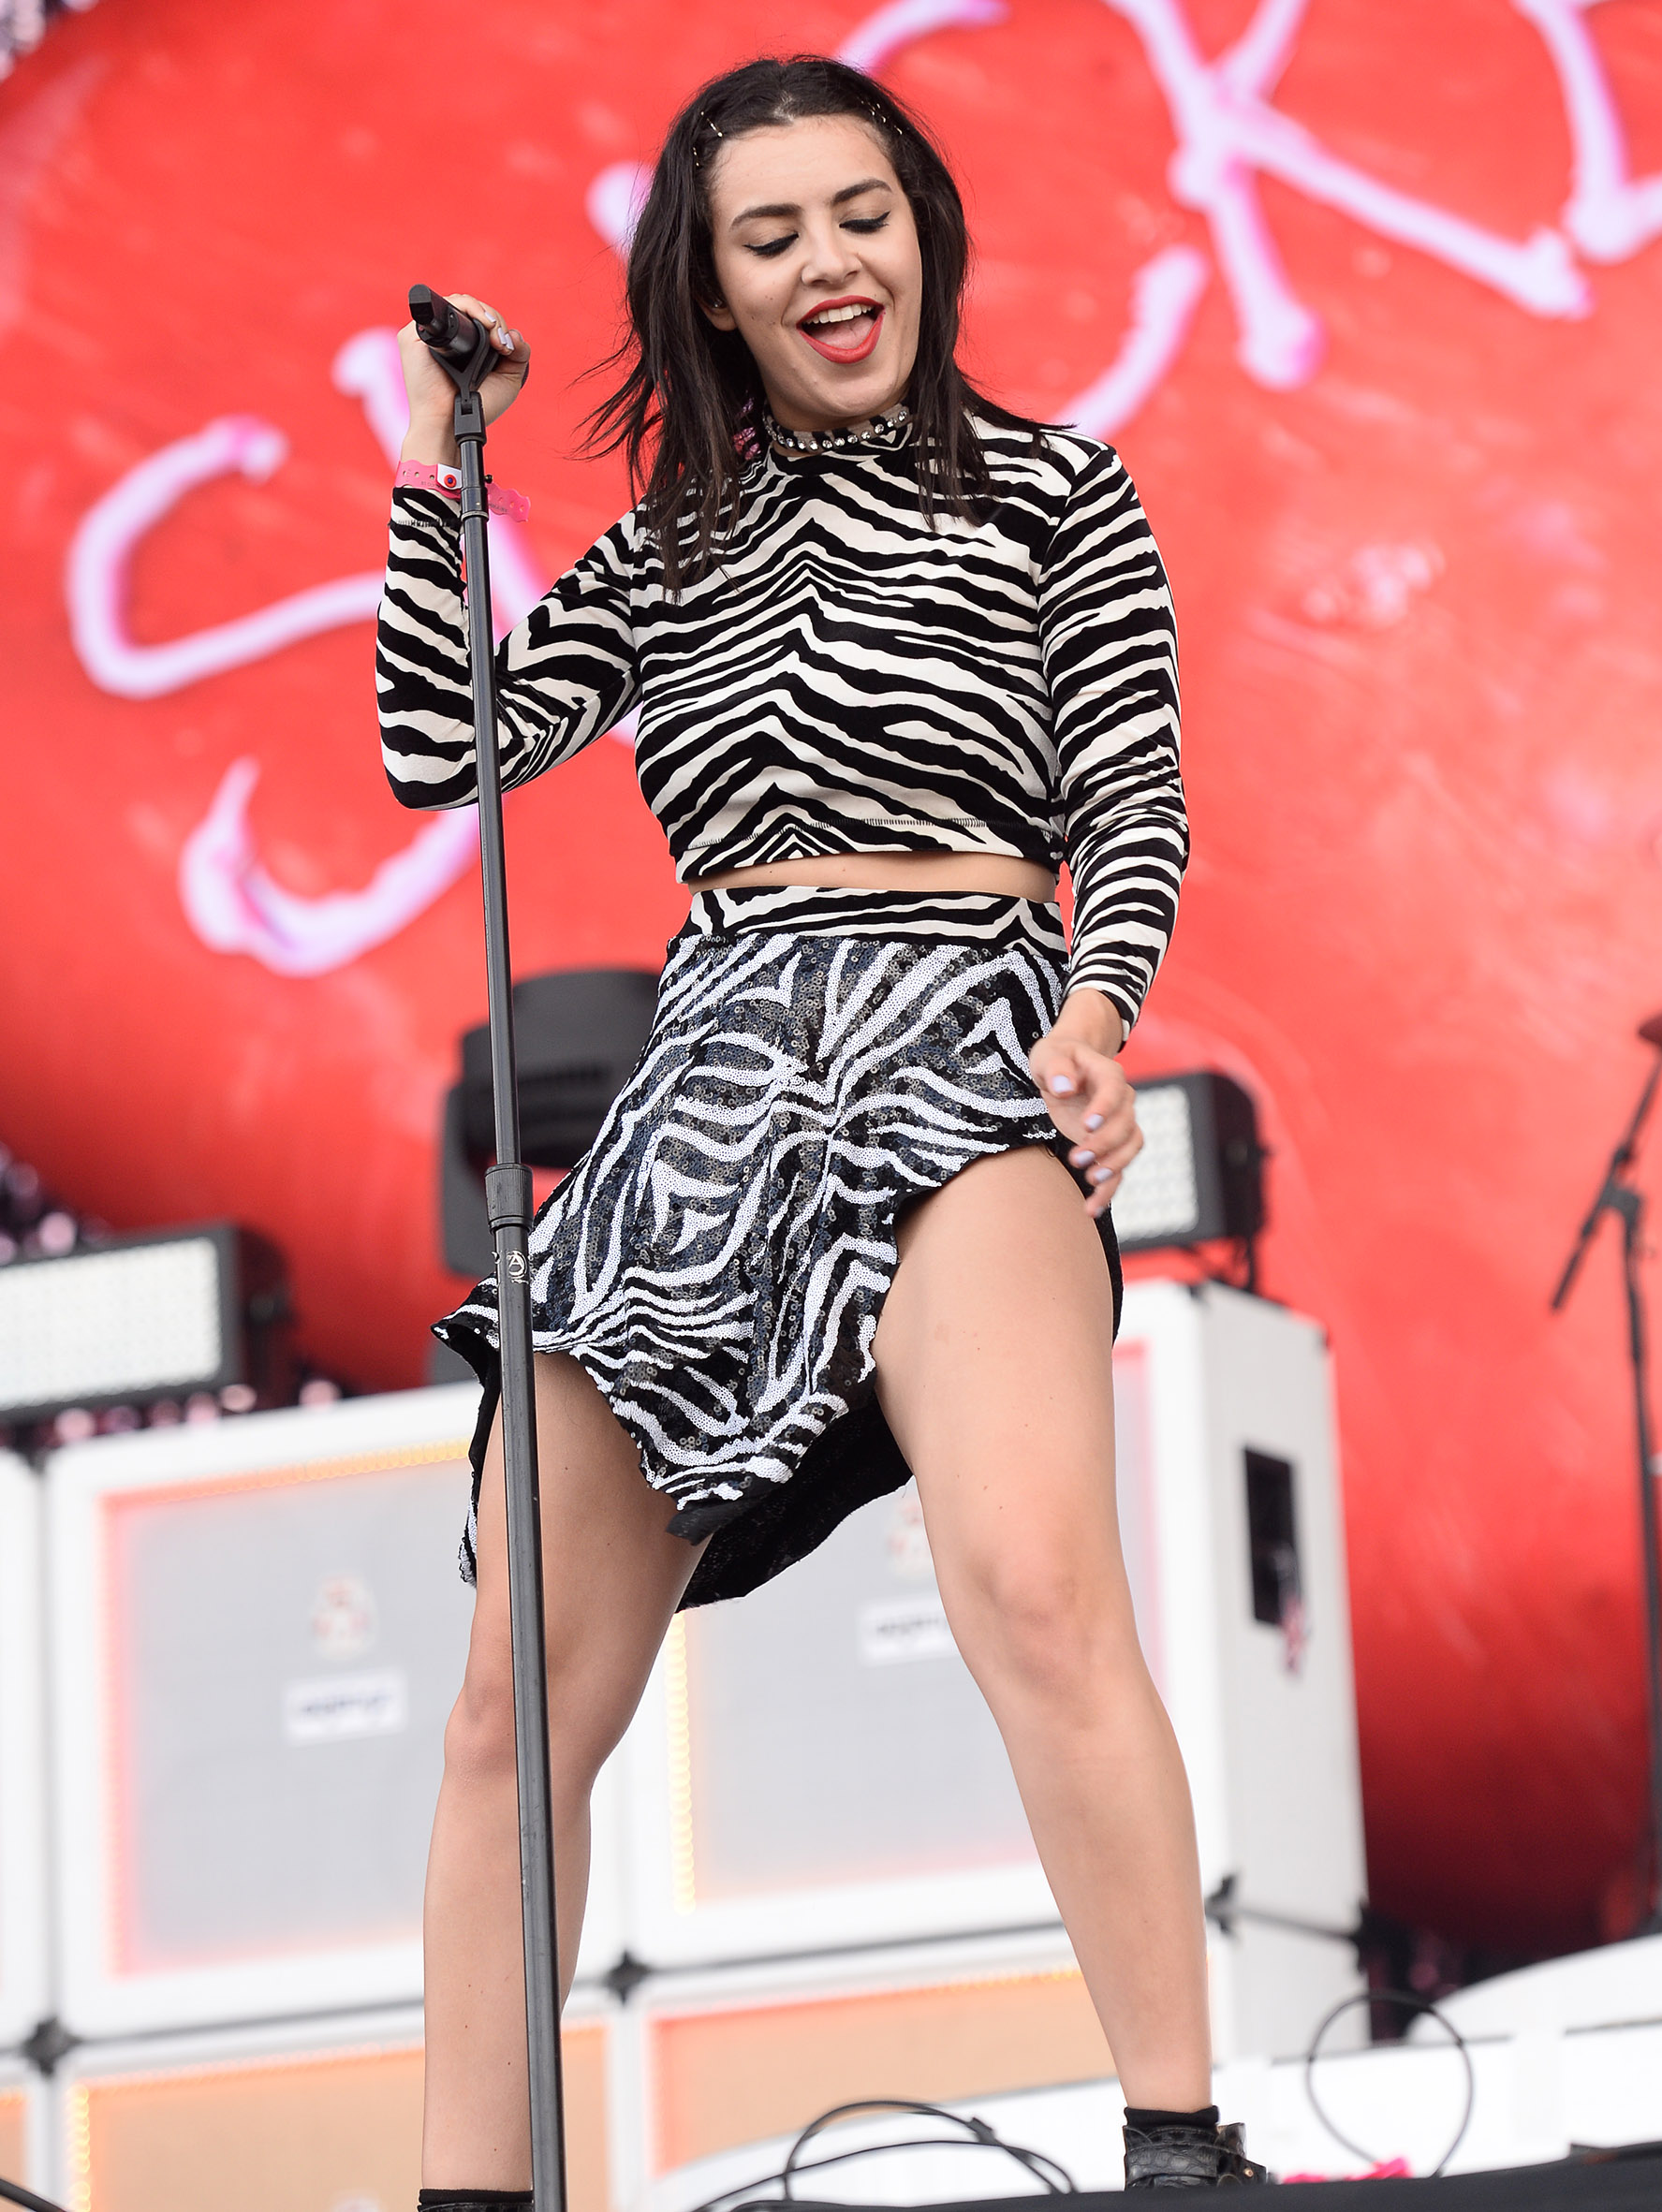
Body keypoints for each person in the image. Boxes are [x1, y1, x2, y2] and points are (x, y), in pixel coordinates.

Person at [376, 54, 1264, 2200]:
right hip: (712, 1082)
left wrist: (1098, 1010)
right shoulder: (668, 547)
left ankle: (1180, 2150)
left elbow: (1131, 792)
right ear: (714, 287)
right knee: (510, 1698)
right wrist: (435, 469)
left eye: (859, 214)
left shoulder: (1053, 488)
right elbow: (439, 745)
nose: (828, 263)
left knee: (1035, 1589)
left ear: (920, 235)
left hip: (962, 1034)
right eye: (770, 235)